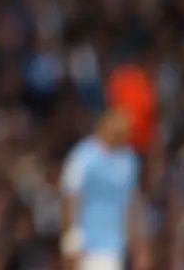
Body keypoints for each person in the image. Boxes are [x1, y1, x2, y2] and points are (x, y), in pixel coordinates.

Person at [60, 108, 150, 270]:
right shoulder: (83, 156)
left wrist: (139, 246)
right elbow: (70, 198)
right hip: (87, 244)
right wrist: (71, 241)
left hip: (115, 245)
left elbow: (132, 203)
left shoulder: (129, 159)